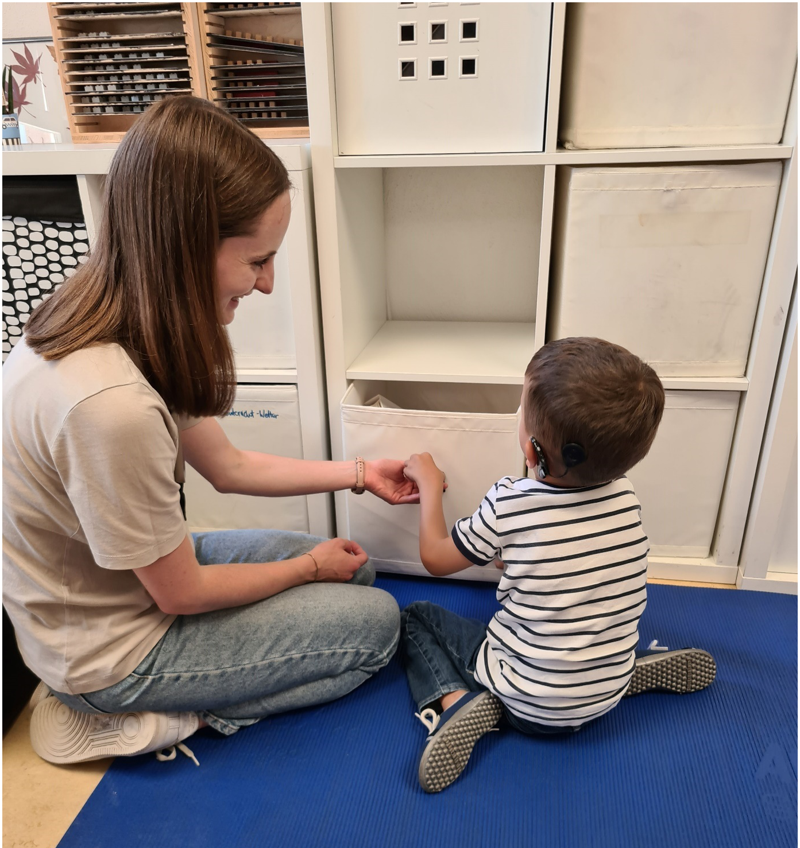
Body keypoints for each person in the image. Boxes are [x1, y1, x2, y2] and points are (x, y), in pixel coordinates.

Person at [3, 96, 418, 766]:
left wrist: (362, 474)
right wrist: (306, 568)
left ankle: (154, 692)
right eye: (257, 261)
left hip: (124, 585)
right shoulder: (108, 403)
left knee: (360, 572)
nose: (268, 283)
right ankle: (144, 715)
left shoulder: (117, 313)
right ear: (188, 246)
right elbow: (182, 593)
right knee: (375, 630)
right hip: (109, 651)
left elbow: (230, 467)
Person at [399, 337, 717, 794]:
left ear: (532, 452)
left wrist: (430, 485)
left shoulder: (511, 503)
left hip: (529, 704)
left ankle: (461, 702)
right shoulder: (626, 497)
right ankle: (623, 673)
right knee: (595, 642)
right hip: (605, 690)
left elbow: (435, 556)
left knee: (414, 618)